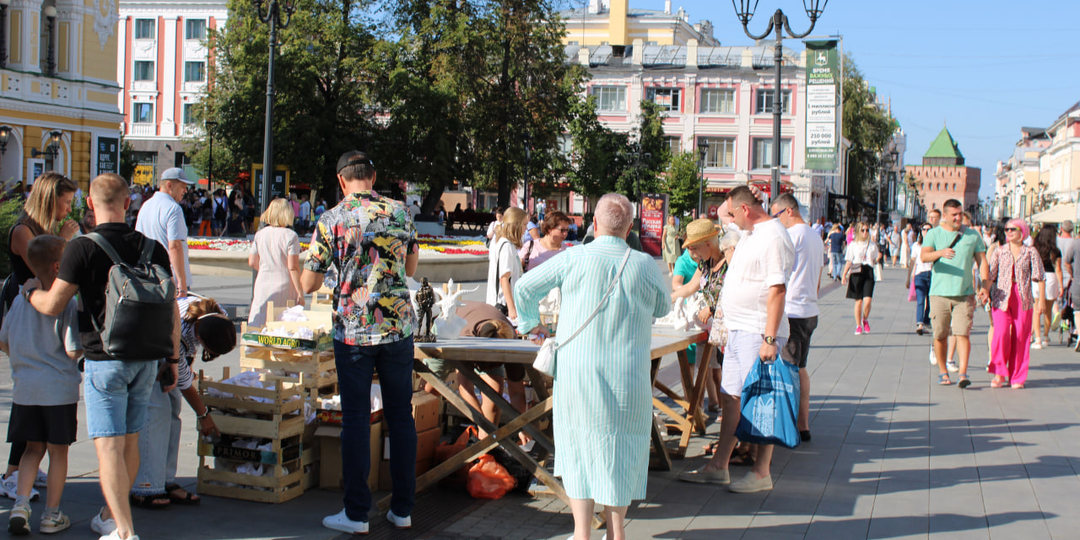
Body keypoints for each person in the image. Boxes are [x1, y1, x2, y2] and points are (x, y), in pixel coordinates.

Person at [28, 172, 180, 540]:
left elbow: (53, 305)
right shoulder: (152, 248)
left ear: (91, 205)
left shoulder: (82, 248)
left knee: (108, 446)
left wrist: (31, 291)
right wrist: (172, 360)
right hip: (147, 360)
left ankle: (124, 530)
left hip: (105, 360)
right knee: (130, 442)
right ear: (129, 204)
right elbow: (172, 310)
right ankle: (111, 517)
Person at [515, 193, 669, 540]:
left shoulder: (574, 257)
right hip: (627, 376)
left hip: (578, 374)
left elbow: (523, 287)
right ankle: (616, 534)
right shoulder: (643, 264)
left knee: (576, 447)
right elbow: (661, 306)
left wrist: (530, 324)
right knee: (623, 449)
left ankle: (581, 533)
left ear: (594, 224)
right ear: (630, 228)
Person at [300, 151, 418, 535]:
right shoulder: (401, 212)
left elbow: (309, 283)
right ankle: (403, 510)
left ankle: (356, 514)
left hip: (353, 331)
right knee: (400, 417)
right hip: (397, 328)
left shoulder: (333, 218)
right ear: (374, 176)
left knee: (355, 418)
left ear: (341, 180)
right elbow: (411, 268)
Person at [676, 185, 794, 494]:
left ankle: (761, 471)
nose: (727, 221)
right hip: (739, 329)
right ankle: (719, 465)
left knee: (760, 399)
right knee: (731, 396)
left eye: (730, 213)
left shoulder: (773, 236)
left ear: (744, 209)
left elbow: (777, 290)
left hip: (757, 330)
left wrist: (769, 338)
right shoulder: (751, 234)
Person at [1, 171, 79, 498]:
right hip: (26, 304)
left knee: (36, 394)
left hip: (43, 305)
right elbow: (44, 267)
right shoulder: (23, 230)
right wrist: (64, 238)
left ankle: (25, 467)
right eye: (65, 203)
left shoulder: (41, 229)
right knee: (31, 389)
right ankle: (12, 473)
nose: (68, 211)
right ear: (50, 200)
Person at [0, 236, 82, 534]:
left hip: (25, 389)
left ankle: (20, 505)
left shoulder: (20, 301)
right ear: (60, 266)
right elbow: (73, 350)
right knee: (58, 452)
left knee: (31, 449)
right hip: (58, 389)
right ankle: (51, 514)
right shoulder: (67, 304)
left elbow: (4, 339)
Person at [130, 295, 235, 509]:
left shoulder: (217, 315)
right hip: (151, 347)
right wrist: (204, 415)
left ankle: (165, 480)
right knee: (155, 415)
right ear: (200, 338)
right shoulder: (180, 332)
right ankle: (145, 485)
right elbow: (185, 384)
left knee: (172, 415)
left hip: (171, 354)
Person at [420, 301, 523, 440]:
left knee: (494, 392)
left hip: (488, 334)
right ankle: (418, 440)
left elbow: (517, 392)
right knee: (429, 390)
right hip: (448, 329)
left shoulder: (511, 344)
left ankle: (486, 447)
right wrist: (483, 424)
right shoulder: (465, 337)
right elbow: (465, 387)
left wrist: (522, 426)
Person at [770, 193, 824, 443]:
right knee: (800, 368)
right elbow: (819, 275)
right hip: (809, 309)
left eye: (776, 215)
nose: (776, 220)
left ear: (788, 211)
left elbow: (780, 273)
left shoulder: (793, 235)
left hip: (792, 311)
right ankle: (803, 424)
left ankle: (790, 425)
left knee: (789, 369)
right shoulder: (814, 235)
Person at [922, 198, 989, 388]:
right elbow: (924, 255)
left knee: (963, 333)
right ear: (945, 216)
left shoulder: (972, 236)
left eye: (960, 213)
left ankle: (962, 373)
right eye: (954, 215)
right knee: (940, 335)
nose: (958, 217)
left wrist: (984, 285)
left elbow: (982, 261)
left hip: (964, 293)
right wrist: (940, 253)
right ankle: (943, 371)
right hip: (939, 293)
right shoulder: (934, 234)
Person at [670, 219, 731, 420]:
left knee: (726, 374)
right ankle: (708, 414)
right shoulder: (705, 264)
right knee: (708, 369)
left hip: (730, 330)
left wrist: (713, 308)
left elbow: (737, 294)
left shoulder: (730, 260)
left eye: (694, 248)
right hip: (713, 330)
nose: (693, 253)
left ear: (708, 243)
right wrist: (663, 301)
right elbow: (688, 288)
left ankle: (731, 423)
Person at [986, 220, 1042, 389]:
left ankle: (1017, 376)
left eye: (1013, 229)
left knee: (1021, 337)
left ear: (1022, 232)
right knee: (1001, 333)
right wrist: (983, 291)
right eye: (1007, 229)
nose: (1008, 232)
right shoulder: (999, 251)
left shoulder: (1031, 251)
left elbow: (1039, 276)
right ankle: (999, 373)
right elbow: (990, 275)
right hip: (1001, 296)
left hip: (1022, 295)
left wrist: (1041, 303)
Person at [136, 167, 194, 298]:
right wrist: (182, 283)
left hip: (150, 276)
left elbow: (139, 241)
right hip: (170, 278)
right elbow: (175, 246)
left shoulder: (145, 206)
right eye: (182, 186)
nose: (185, 191)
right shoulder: (174, 209)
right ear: (169, 185)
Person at [247, 198, 304, 327]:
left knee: (260, 320)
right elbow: (293, 267)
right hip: (284, 283)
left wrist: (265, 268)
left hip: (263, 282)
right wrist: (300, 292)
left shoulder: (260, 234)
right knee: (282, 323)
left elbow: (252, 261)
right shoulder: (290, 236)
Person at [487, 207, 527, 322]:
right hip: (502, 305)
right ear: (516, 225)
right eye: (524, 225)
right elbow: (504, 279)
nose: (525, 229)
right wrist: (512, 308)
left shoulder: (501, 242)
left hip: (498, 303)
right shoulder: (507, 246)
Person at [841, 222, 881, 335]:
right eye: (863, 230)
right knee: (858, 301)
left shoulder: (872, 245)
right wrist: (844, 274)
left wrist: (877, 258)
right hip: (856, 272)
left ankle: (865, 319)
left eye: (867, 230)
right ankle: (858, 325)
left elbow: (875, 258)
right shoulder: (853, 245)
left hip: (868, 271)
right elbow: (849, 260)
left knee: (868, 300)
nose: (865, 232)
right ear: (858, 231)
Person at [1031, 224, 1062, 349]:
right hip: (1051, 277)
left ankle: (1037, 339)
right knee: (1048, 310)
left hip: (1037, 278)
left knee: (1036, 309)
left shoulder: (1035, 248)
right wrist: (1061, 286)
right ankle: (1046, 337)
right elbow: (1058, 268)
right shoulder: (1055, 250)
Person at [906, 223, 934, 335]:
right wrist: (908, 278)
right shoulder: (917, 246)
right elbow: (912, 261)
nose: (926, 231)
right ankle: (920, 323)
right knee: (921, 300)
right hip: (920, 275)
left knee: (931, 300)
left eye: (929, 229)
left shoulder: (935, 245)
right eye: (924, 229)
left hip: (932, 275)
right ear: (921, 231)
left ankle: (926, 320)